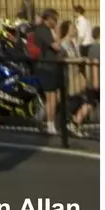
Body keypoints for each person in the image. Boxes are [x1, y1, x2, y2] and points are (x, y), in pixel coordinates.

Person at [31, 9, 67, 143]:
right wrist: (58, 33)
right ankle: (50, 124)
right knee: (51, 97)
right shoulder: (43, 30)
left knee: (54, 97)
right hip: (47, 67)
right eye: (55, 20)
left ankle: (40, 119)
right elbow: (57, 46)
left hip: (51, 66)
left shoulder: (44, 30)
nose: (56, 22)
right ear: (49, 19)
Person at [70, 26, 100, 137]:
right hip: (98, 81)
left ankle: (75, 123)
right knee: (89, 104)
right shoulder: (98, 49)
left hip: (93, 81)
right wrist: (96, 81)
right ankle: (75, 123)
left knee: (89, 104)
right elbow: (95, 64)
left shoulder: (92, 48)